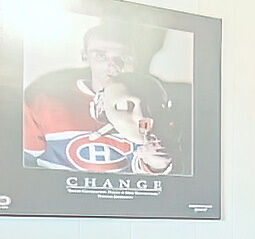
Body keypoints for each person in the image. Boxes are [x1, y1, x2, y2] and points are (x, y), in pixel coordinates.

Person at [22, 21, 166, 164]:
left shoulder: (156, 102)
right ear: (85, 56)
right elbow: (23, 163)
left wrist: (156, 164)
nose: (113, 66)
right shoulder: (42, 102)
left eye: (124, 57)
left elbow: (155, 162)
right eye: (101, 56)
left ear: (136, 59)